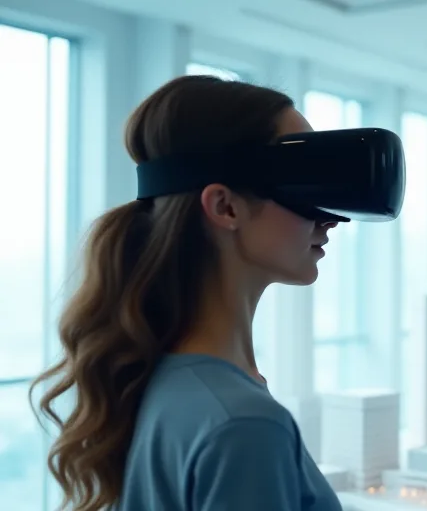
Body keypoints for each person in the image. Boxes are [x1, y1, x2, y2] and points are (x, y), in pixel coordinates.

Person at [31, 76, 344, 511]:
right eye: (303, 182)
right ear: (225, 207)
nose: (331, 217)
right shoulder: (244, 424)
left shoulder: (155, 380)